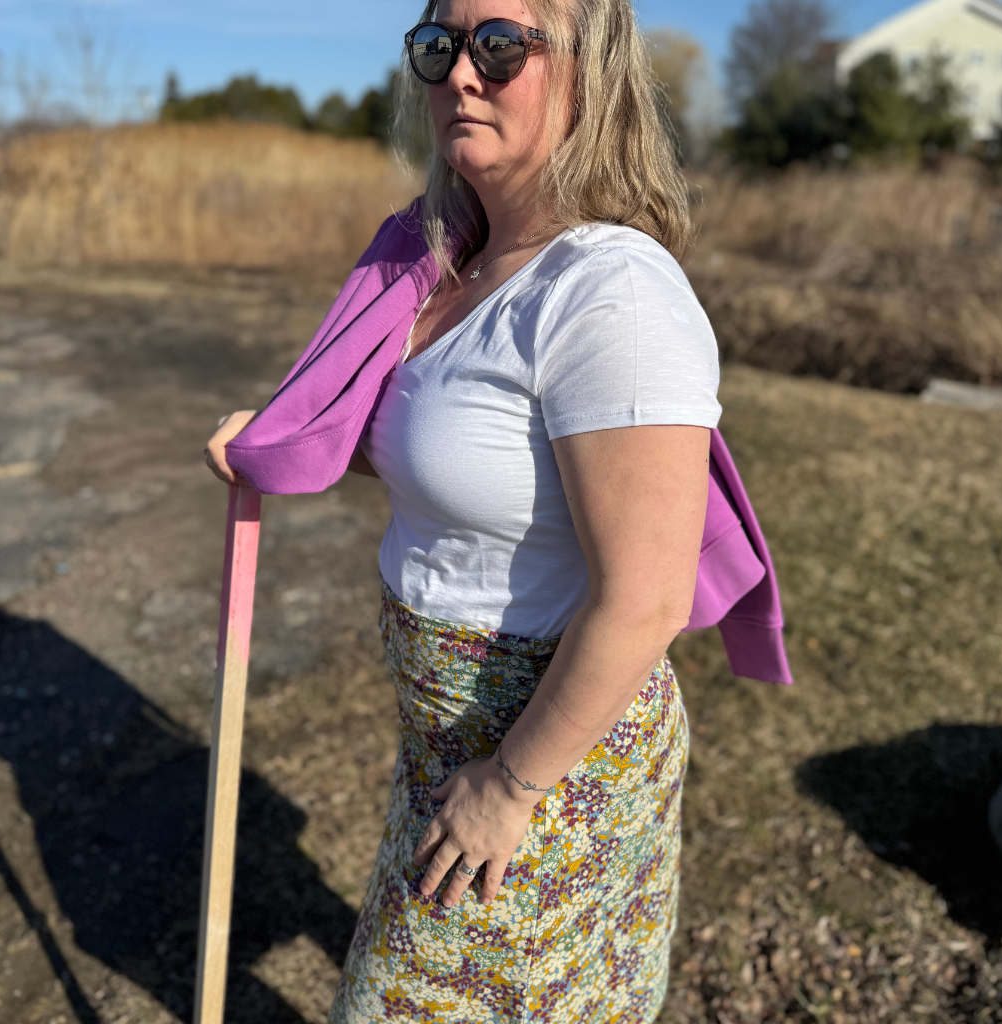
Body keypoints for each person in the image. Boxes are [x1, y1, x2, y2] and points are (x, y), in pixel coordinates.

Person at [204, 0, 723, 1019]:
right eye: (439, 46)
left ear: (592, 69)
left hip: (545, 756)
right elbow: (464, 466)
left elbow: (648, 596)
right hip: (444, 743)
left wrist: (511, 786)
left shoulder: (611, 293)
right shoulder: (451, 262)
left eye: (500, 43)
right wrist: (268, 442)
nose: (460, 75)